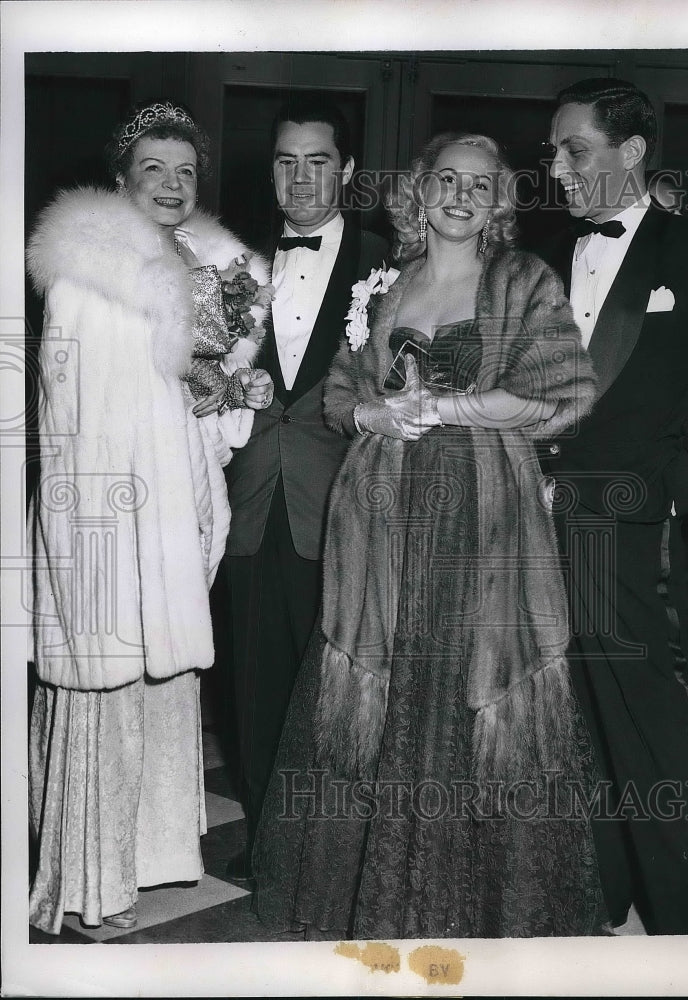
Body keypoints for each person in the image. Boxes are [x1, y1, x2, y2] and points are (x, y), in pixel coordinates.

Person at [249, 132, 607, 940]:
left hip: (482, 518)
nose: (460, 196)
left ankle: (478, 911)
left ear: (498, 205)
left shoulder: (523, 280)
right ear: (419, 191)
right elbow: (341, 395)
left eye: (479, 187)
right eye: (446, 180)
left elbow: (565, 393)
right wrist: (373, 411)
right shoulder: (388, 285)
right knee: (385, 678)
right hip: (379, 522)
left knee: (467, 682)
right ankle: (367, 907)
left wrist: (443, 410)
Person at [26, 100, 272, 934]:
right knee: (106, 685)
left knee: (164, 684)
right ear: (121, 181)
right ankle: (91, 876)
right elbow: (73, 417)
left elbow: (181, 403)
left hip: (172, 511)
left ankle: (155, 858)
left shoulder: (199, 275)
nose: (171, 186)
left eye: (186, 172)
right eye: (153, 171)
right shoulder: (85, 277)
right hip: (107, 516)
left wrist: (226, 392)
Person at [541, 78, 688, 934]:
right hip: (539, 521)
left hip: (633, 527)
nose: (556, 169)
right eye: (554, 151)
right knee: (571, 720)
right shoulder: (541, 256)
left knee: (657, 725)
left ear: (631, 152)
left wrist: (667, 495)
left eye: (575, 151)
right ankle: (595, 893)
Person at [220, 98, 387, 880]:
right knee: (252, 690)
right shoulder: (232, 262)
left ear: (347, 171)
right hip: (250, 506)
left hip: (349, 512)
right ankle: (268, 844)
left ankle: (334, 856)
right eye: (286, 161)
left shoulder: (390, 265)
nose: (301, 178)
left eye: (318, 160)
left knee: (340, 690)